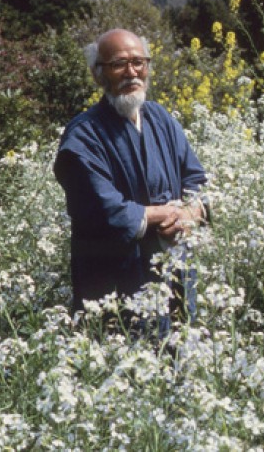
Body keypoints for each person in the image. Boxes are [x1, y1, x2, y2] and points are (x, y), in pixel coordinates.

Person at [54, 28, 208, 331]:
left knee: (180, 355)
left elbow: (196, 178)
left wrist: (191, 213)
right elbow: (101, 208)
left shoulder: (160, 118)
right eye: (118, 64)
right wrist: (164, 213)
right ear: (99, 74)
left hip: (174, 273)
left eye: (139, 61)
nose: (132, 72)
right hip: (116, 282)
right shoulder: (83, 135)